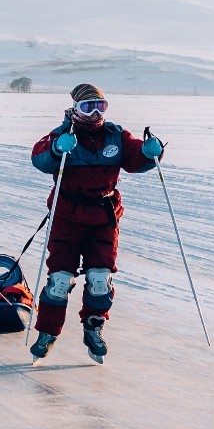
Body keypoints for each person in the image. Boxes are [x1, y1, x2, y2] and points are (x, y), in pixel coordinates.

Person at [28, 82, 163, 363]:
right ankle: (48, 333)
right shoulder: (64, 135)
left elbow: (135, 158)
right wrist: (55, 149)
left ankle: (94, 328)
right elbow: (40, 159)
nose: (95, 114)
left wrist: (152, 153)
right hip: (66, 216)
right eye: (88, 107)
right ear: (75, 109)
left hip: (103, 217)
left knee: (100, 279)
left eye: (100, 106)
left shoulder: (115, 136)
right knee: (60, 281)